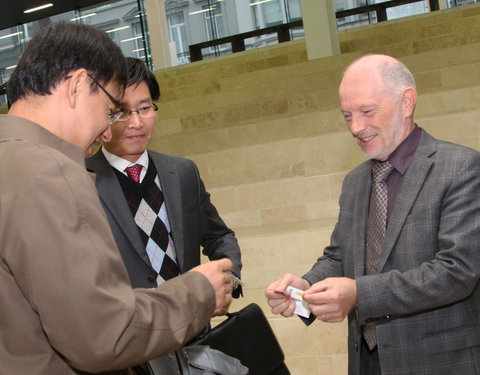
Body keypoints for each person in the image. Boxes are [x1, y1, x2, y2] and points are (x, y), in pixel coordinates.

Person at [0, 22, 233, 375]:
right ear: (78, 86)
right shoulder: (52, 171)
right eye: (111, 110)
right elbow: (104, 335)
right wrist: (200, 293)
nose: (109, 130)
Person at [265, 54, 480, 375]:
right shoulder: (354, 182)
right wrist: (305, 288)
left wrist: (359, 294)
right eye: (347, 116)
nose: (356, 127)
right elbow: (340, 258)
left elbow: (456, 272)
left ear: (407, 102)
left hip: (440, 361)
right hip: (368, 362)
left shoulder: (461, 168)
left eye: (367, 112)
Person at [86, 56, 242, 374]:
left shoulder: (181, 172)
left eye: (145, 108)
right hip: (131, 350)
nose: (136, 123)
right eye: (121, 112)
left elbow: (218, 235)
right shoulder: (81, 181)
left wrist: (228, 279)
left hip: (194, 334)